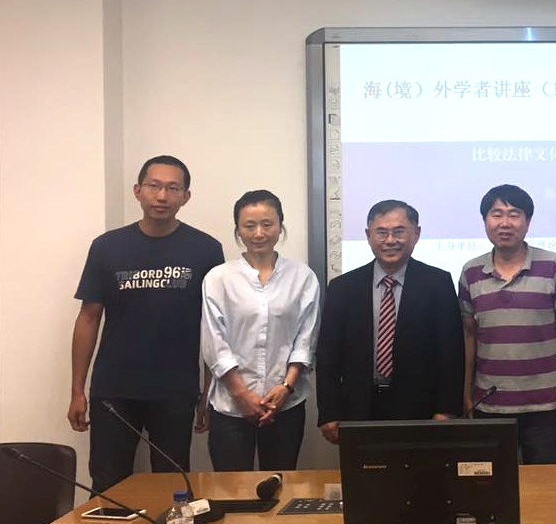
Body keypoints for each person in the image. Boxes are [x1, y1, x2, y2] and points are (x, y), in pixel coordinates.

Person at [68, 155, 223, 491]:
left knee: (172, 487)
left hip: (176, 390)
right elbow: (88, 318)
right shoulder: (107, 247)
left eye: (173, 188)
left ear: (186, 196)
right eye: (154, 186)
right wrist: (77, 390)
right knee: (108, 486)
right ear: (138, 191)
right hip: (114, 389)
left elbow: (214, 327)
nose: (162, 196)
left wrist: (209, 392)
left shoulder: (206, 250)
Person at [315, 200, 464, 444]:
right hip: (358, 408)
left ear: (416, 234)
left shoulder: (437, 283)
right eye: (381, 232)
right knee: (362, 469)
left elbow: (451, 353)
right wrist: (329, 412)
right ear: (368, 236)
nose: (390, 240)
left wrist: (447, 409)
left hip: (421, 411)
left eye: (399, 231)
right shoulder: (343, 287)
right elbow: (328, 355)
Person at [199, 190, 320, 471]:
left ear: (280, 225)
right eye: (249, 226)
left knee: (280, 483)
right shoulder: (219, 278)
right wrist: (242, 395)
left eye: (267, 224)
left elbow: (306, 338)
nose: (259, 233)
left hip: (285, 404)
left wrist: (286, 388)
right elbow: (214, 342)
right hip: (231, 406)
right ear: (238, 230)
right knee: (230, 488)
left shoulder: (302, 276)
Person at [459, 184, 556, 464]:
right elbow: (468, 336)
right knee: (491, 483)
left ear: (528, 222)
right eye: (496, 214)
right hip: (489, 404)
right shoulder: (471, 272)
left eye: (514, 214)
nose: (505, 223)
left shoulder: (553, 265)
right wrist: (466, 392)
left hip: (546, 405)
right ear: (485, 221)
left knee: (547, 483)